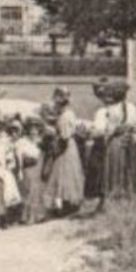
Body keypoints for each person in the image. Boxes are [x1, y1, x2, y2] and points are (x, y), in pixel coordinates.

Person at [99, 81, 136, 204]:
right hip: (129, 139)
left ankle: (116, 193)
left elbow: (109, 129)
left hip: (116, 140)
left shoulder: (112, 109)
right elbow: (135, 125)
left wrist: (107, 136)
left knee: (115, 165)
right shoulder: (132, 107)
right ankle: (129, 193)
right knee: (129, 165)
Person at [45, 87, 84, 216]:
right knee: (65, 175)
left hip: (66, 147)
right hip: (68, 145)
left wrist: (56, 142)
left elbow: (65, 136)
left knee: (64, 174)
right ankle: (66, 205)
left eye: (57, 104)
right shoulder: (67, 114)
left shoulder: (66, 115)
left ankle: (66, 206)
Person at [15, 117, 46, 225]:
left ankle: (36, 215)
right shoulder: (22, 142)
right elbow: (19, 157)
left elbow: (42, 155)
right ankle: (27, 216)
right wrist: (19, 169)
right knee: (28, 191)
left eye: (36, 128)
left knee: (36, 190)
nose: (34, 131)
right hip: (28, 168)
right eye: (32, 128)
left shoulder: (41, 141)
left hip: (37, 168)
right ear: (28, 129)